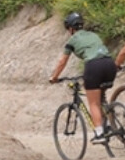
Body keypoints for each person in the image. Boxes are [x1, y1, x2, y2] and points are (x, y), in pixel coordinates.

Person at [49, 12, 118, 143]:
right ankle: (107, 124)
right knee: (101, 98)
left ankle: (99, 134)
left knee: (93, 103)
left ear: (70, 28)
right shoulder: (93, 35)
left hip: (93, 66)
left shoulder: (72, 40)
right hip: (110, 64)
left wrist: (54, 77)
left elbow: (62, 61)